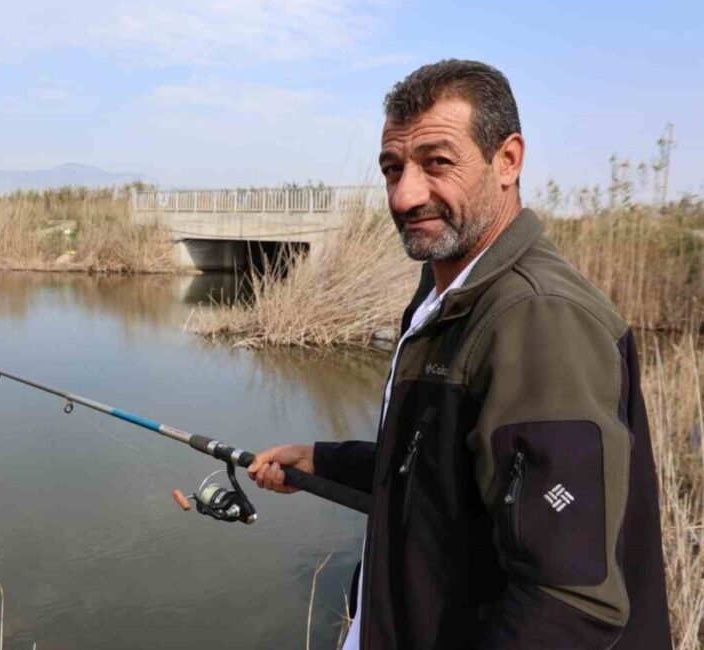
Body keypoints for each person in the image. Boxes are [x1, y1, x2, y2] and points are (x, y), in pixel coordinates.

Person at [247, 60, 672, 649]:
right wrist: (325, 459)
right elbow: (447, 478)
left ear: (508, 160)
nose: (405, 195)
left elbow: (570, 601)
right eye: (392, 169)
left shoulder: (536, 315)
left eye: (437, 163)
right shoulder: (442, 295)